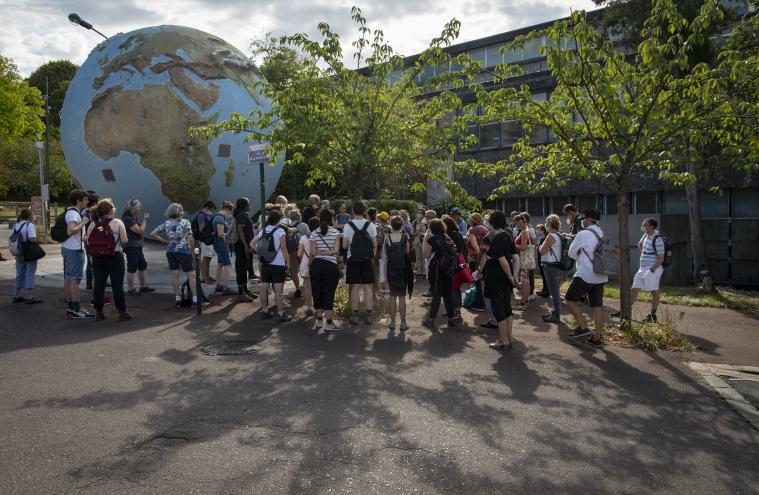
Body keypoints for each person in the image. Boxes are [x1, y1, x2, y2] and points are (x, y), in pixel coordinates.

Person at [566, 209, 608, 348]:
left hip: (585, 273)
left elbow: (571, 253)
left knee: (570, 298)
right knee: (597, 306)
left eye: (584, 219)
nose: (582, 221)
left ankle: (583, 328)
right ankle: (596, 339)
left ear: (589, 220)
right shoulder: (600, 232)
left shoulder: (582, 234)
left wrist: (579, 254)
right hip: (600, 274)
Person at [85, 198, 132, 321]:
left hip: (98, 258)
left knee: (99, 285)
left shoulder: (93, 224)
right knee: (117, 285)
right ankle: (122, 312)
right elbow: (124, 240)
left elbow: (88, 240)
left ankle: (99, 312)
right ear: (110, 210)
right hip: (115, 256)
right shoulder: (117, 222)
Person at [612, 218, 666, 323]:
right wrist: (643, 254)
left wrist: (651, 269)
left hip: (652, 269)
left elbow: (661, 258)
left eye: (645, 225)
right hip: (642, 269)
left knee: (654, 291)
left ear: (652, 227)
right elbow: (639, 244)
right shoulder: (646, 235)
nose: (643, 227)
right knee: (634, 289)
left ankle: (653, 315)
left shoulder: (658, 239)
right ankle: (624, 311)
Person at [150, 203, 199, 308]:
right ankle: (195, 299)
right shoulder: (185, 222)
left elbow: (153, 233)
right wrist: (193, 254)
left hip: (170, 251)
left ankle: (177, 299)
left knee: (175, 275)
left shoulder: (166, 223)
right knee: (191, 275)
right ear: (181, 211)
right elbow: (190, 239)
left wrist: (165, 241)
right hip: (183, 251)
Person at [484, 211, 519, 350]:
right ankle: (509, 338)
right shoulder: (508, 236)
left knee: (498, 309)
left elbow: (502, 260)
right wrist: (514, 275)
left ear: (492, 222)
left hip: (496, 276)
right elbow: (515, 258)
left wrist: (511, 276)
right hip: (506, 278)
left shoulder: (495, 237)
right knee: (507, 308)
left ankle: (503, 340)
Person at [252, 210, 292, 322]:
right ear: (279, 220)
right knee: (278, 290)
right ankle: (281, 313)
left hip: (265, 263)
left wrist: (261, 254)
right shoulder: (280, 231)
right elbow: (284, 249)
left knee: (264, 287)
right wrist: (288, 263)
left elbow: (252, 243)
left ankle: (264, 310)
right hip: (278, 264)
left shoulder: (264, 230)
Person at [343, 201, 377, 325]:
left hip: (353, 258)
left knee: (355, 288)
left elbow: (345, 245)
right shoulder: (370, 225)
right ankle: (369, 315)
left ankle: (355, 315)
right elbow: (374, 245)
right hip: (367, 259)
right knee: (368, 287)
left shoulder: (348, 225)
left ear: (353, 211)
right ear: (364, 211)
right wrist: (371, 257)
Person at [62, 190, 93, 318]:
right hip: (74, 250)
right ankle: (76, 309)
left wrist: (83, 237)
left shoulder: (71, 212)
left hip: (69, 248)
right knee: (75, 280)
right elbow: (71, 231)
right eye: (85, 199)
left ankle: (71, 308)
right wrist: (83, 222)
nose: (87, 202)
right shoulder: (73, 214)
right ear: (78, 201)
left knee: (69, 278)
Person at [309, 209, 342, 331]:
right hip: (330, 266)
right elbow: (335, 251)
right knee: (329, 293)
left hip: (316, 265)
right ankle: (329, 322)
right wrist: (326, 253)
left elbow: (312, 253)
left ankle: (318, 320)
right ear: (331, 219)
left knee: (317, 292)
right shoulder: (335, 232)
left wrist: (319, 253)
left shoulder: (314, 233)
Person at [422, 219, 457, 329]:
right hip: (449, 270)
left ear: (432, 228)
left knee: (436, 295)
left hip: (436, 271)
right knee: (448, 295)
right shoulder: (448, 238)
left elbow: (426, 254)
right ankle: (451, 318)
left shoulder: (432, 239)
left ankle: (431, 319)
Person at [381, 215, 412, 331]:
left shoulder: (387, 237)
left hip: (391, 269)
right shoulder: (405, 237)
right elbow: (408, 252)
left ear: (391, 225)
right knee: (402, 298)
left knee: (392, 297)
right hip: (402, 269)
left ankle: (392, 322)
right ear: (402, 225)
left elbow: (384, 255)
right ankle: (403, 323)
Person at [121, 198, 154, 296]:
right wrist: (145, 220)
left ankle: (143, 287)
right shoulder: (128, 218)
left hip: (137, 246)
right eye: (138, 207)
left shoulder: (133, 217)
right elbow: (140, 230)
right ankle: (131, 288)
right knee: (132, 266)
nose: (139, 209)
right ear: (132, 207)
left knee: (142, 265)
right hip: (131, 246)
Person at [11, 209, 42, 304]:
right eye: (32, 214)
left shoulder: (16, 225)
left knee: (20, 273)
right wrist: (38, 241)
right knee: (30, 273)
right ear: (29, 216)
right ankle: (29, 296)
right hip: (28, 252)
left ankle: (17, 295)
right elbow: (31, 239)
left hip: (18, 251)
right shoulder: (29, 225)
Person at [539, 215, 564, 323]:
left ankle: (556, 314)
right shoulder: (559, 234)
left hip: (550, 266)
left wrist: (540, 247)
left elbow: (542, 251)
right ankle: (555, 312)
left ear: (550, 224)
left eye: (547, 223)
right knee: (554, 290)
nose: (546, 225)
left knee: (554, 291)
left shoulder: (551, 236)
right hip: (555, 265)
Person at [232, 197, 257, 302]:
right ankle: (241, 293)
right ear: (245, 205)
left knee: (245, 267)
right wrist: (246, 245)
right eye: (248, 203)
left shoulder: (243, 215)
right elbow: (240, 231)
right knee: (241, 268)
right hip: (242, 247)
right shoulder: (241, 216)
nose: (249, 205)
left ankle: (245, 290)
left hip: (245, 246)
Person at [442, 215, 466, 320]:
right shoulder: (458, 234)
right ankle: (455, 309)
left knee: (452, 287)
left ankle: (455, 310)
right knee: (456, 287)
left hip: (451, 263)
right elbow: (462, 248)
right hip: (459, 261)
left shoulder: (448, 235)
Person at [466, 212, 489, 311]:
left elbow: (476, 247)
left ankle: (479, 304)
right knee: (482, 281)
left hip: (475, 259)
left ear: (473, 220)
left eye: (470, 219)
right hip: (485, 258)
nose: (468, 221)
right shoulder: (485, 229)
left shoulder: (472, 230)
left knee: (477, 281)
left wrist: (476, 255)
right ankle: (483, 302)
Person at [212, 201, 236, 295]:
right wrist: (230, 236)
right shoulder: (220, 218)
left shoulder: (217, 217)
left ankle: (218, 285)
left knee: (220, 264)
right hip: (221, 243)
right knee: (227, 265)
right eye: (230, 212)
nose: (230, 214)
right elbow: (220, 233)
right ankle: (225, 286)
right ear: (226, 209)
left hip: (217, 243)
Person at [299, 217, 320, 316]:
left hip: (306, 262)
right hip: (319, 261)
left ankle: (309, 307)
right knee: (319, 285)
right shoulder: (321, 236)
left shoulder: (303, 237)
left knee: (307, 286)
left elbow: (299, 254)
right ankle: (319, 307)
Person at [193, 201, 217, 284]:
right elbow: (201, 228)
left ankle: (207, 276)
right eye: (211, 210)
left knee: (208, 257)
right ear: (206, 208)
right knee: (205, 258)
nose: (212, 212)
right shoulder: (201, 215)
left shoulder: (207, 216)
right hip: (204, 240)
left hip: (209, 239)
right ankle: (204, 277)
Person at [513, 214, 532, 308]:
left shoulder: (524, 232)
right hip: (524, 259)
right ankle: (525, 301)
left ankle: (523, 302)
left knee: (524, 281)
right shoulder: (525, 231)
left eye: (520, 222)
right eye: (517, 223)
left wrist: (513, 245)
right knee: (526, 281)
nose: (518, 224)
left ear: (524, 222)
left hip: (523, 259)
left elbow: (523, 247)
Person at [288, 209, 306, 298]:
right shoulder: (303, 225)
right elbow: (309, 237)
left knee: (294, 271)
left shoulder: (286, 226)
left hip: (292, 250)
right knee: (306, 268)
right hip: (303, 250)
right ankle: (306, 286)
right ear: (298, 216)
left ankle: (298, 289)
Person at [83, 192, 99, 290]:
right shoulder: (91, 215)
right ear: (94, 203)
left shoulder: (85, 213)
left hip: (87, 240)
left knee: (90, 263)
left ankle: (90, 284)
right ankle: (93, 285)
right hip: (91, 241)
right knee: (93, 264)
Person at [535, 223, 551, 298]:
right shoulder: (540, 238)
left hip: (544, 260)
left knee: (545, 276)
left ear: (542, 231)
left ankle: (547, 291)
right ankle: (544, 290)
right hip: (539, 259)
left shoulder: (546, 238)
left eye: (538, 230)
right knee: (542, 275)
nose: (536, 231)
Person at [411, 209, 428, 277]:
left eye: (420, 213)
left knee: (424, 257)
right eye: (418, 212)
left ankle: (424, 271)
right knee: (418, 257)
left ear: (424, 214)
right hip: (416, 241)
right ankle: (419, 271)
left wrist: (422, 233)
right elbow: (412, 232)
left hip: (424, 241)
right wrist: (415, 233)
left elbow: (428, 232)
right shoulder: (415, 222)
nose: (418, 214)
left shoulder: (426, 222)